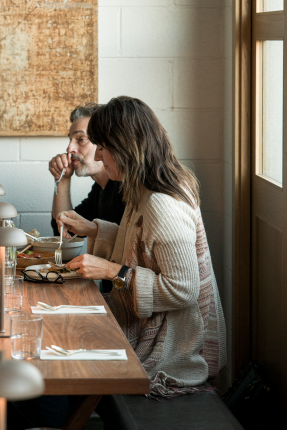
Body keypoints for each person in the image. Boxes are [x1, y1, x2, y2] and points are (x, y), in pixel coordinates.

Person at [59, 96, 227, 396]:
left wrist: (112, 271)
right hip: (148, 330)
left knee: (57, 359)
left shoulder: (161, 203)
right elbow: (141, 243)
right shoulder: (145, 188)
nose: (98, 156)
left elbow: (183, 289)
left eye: (103, 146)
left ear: (125, 147)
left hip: (170, 355)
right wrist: (94, 229)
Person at [49, 103, 126, 293]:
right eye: (70, 140)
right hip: (114, 298)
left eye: (81, 139)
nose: (69, 148)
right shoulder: (99, 189)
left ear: (105, 143)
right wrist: (63, 179)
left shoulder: (127, 189)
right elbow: (64, 230)